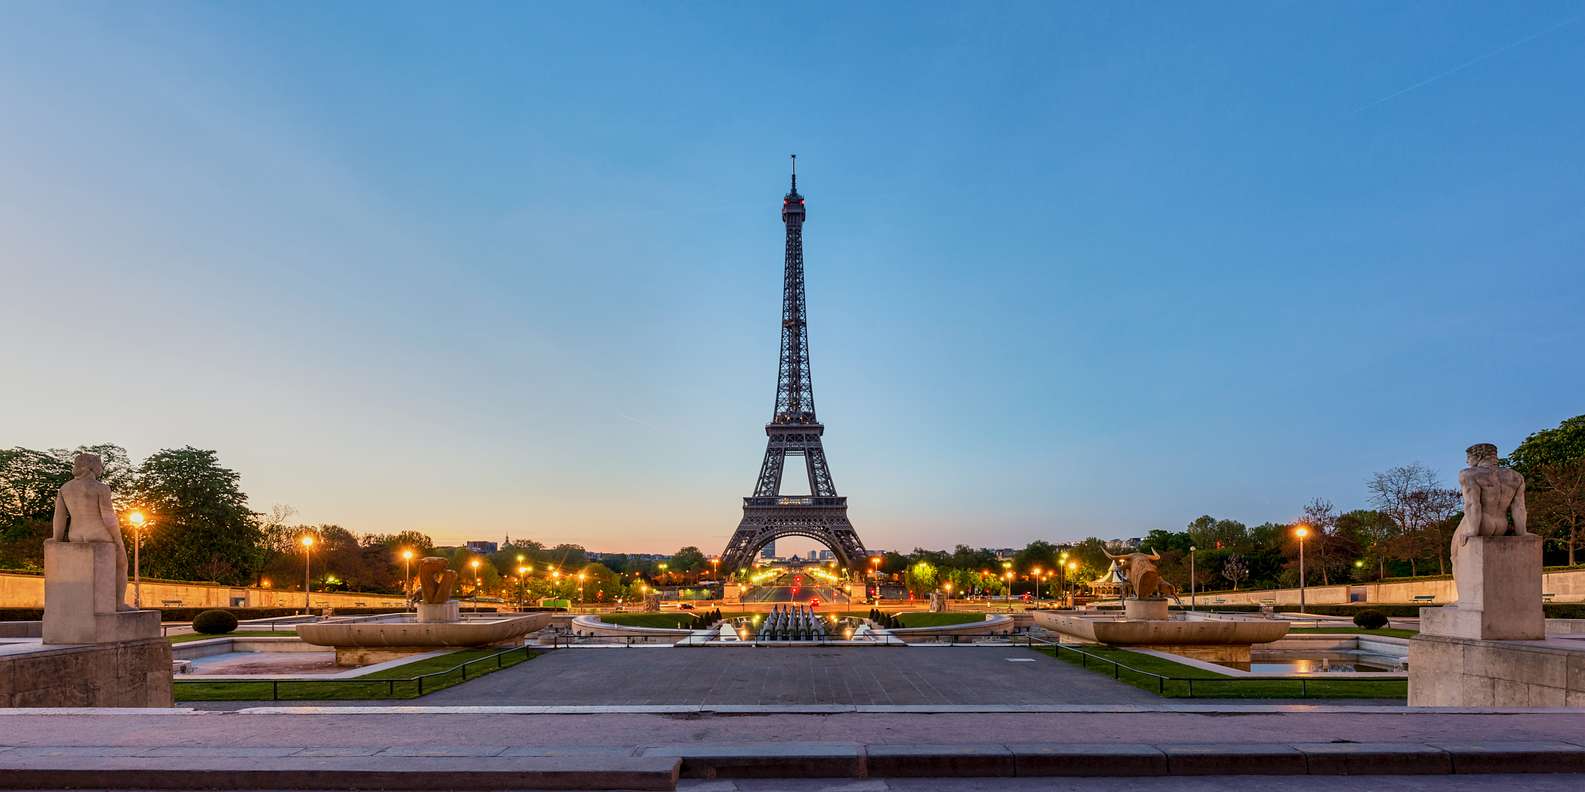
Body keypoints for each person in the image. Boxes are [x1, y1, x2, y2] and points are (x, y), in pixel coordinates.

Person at [51, 452, 131, 609]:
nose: (101, 468)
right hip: (99, 535)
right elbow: (108, 517)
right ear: (92, 466)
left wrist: (56, 538)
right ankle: (118, 603)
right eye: (100, 465)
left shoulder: (65, 488)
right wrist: (118, 541)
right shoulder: (100, 488)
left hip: (75, 535)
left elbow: (59, 517)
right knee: (122, 565)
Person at [1453, 443, 1528, 559]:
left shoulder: (1469, 474)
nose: (1467, 461)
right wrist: (1522, 532)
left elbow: (1473, 504)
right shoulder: (1516, 476)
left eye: (1468, 458)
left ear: (1479, 456)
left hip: (1482, 524)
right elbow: (1519, 507)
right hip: (1502, 525)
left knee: (1454, 555)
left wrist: (1472, 531)